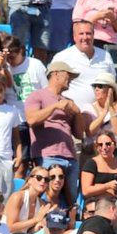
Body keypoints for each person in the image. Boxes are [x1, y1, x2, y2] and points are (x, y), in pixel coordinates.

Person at [24, 59, 81, 204]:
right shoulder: (37, 95)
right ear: (56, 74)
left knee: (70, 202)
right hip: (48, 156)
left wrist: (78, 112)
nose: (70, 80)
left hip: (70, 157)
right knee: (46, 200)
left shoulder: (69, 101)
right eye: (68, 75)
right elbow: (31, 119)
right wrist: (55, 106)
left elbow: (79, 134)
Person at [55, 19, 115, 112]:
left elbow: (113, 84)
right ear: (74, 37)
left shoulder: (106, 56)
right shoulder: (62, 57)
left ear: (93, 35)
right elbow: (53, 88)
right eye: (81, 34)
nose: (85, 37)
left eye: (88, 33)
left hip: (101, 114)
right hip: (72, 114)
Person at [80, 129, 117, 203]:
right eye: (100, 145)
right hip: (97, 206)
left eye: (108, 144)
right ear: (96, 147)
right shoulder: (91, 164)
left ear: (114, 145)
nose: (104, 147)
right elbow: (86, 191)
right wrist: (108, 186)